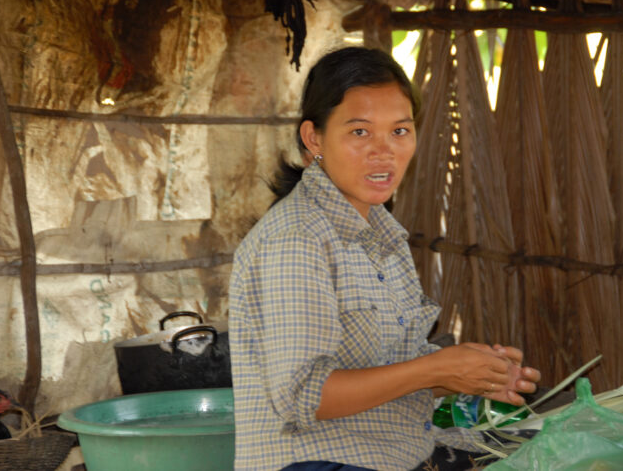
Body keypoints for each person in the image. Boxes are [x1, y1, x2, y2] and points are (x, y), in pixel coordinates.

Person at [229, 46, 541, 471]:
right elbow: (305, 397)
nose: (384, 150)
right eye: (360, 132)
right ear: (314, 138)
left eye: (399, 131)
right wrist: (434, 369)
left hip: (392, 457)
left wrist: (471, 375)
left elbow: (392, 375)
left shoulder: (381, 235)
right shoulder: (297, 239)